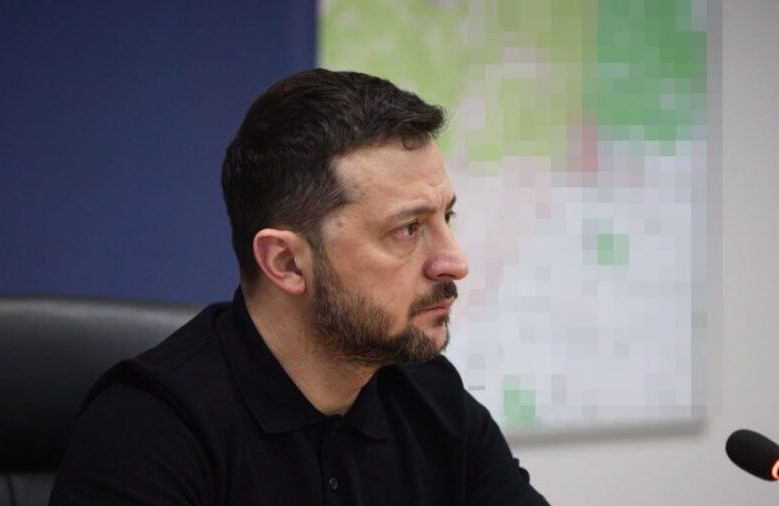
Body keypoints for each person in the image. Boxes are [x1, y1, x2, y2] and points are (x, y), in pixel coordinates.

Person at [49, 69, 549, 506]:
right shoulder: (147, 430)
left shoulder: (431, 396)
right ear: (286, 263)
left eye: (446, 217)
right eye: (408, 229)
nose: (454, 263)